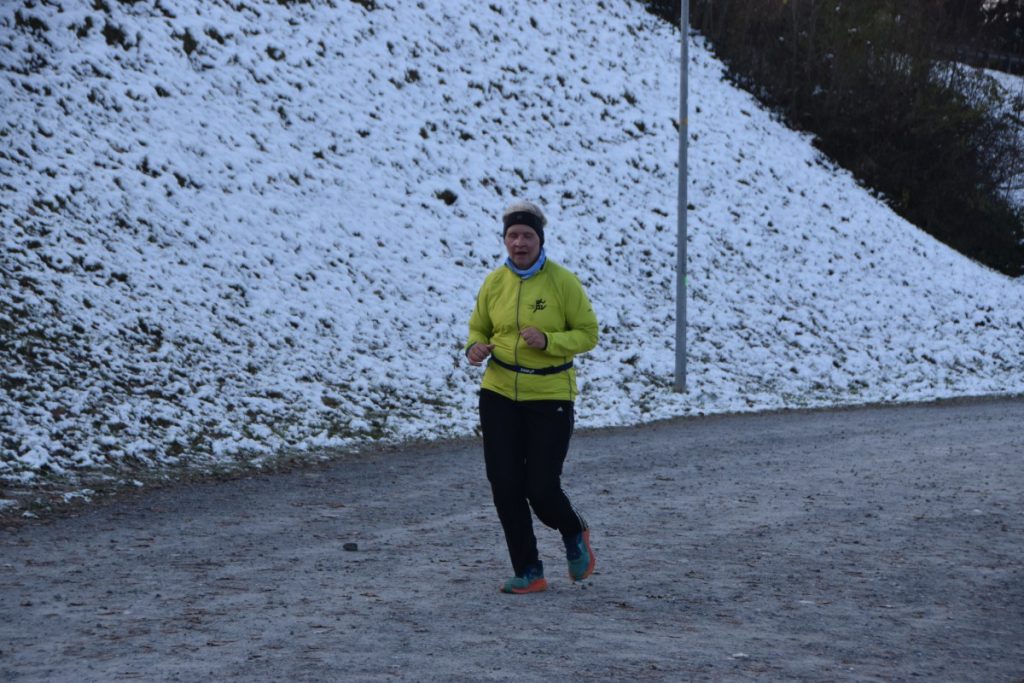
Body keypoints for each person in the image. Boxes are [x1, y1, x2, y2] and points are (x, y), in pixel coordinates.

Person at [464, 200, 599, 594]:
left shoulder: (562, 282)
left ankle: (573, 529)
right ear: (504, 240)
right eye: (512, 235)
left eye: (527, 235)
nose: (519, 243)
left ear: (540, 240)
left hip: (550, 395)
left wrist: (549, 341)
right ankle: (528, 570)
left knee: (540, 488)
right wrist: (474, 347)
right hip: (499, 392)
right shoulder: (494, 283)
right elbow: (478, 327)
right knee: (504, 484)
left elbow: (588, 334)